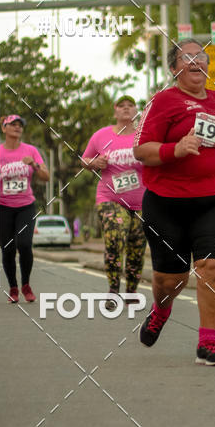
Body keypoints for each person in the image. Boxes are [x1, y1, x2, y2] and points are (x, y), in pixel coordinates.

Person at [134, 39, 215, 366]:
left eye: (201, 55)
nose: (196, 60)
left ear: (208, 64)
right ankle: (161, 309)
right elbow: (141, 151)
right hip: (166, 203)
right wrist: (176, 149)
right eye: (187, 57)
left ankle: (207, 344)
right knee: (170, 280)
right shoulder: (163, 102)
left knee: (212, 269)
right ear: (174, 69)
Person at [82, 95, 146, 297]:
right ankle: (113, 288)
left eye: (130, 105)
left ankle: (131, 291)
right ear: (115, 111)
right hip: (110, 197)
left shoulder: (144, 136)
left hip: (141, 202)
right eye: (122, 106)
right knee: (115, 237)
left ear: (136, 110)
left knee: (137, 247)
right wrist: (95, 163)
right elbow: (84, 160)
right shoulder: (101, 135)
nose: (126, 108)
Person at [0, 115, 49, 303]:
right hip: (2, 207)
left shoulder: (31, 150)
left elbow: (46, 176)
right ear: (4, 128)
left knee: (25, 244)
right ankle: (13, 288)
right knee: (8, 249)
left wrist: (34, 165)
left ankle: (26, 284)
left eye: (20, 125)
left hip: (25, 205)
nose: (17, 128)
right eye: (13, 124)